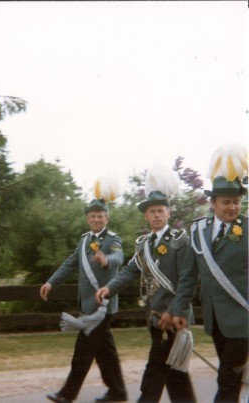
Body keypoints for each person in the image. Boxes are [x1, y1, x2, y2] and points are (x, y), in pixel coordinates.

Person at [96, 165, 196, 403]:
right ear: (146, 216)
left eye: (161, 211)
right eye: (152, 212)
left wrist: (175, 311)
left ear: (169, 213)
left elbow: (187, 280)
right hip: (154, 317)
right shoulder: (144, 244)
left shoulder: (180, 241)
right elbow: (131, 270)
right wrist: (109, 288)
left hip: (173, 319)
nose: (157, 216)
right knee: (174, 374)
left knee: (155, 370)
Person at [172, 145, 248, 402]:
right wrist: (180, 310)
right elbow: (187, 277)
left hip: (243, 318)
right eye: (226, 202)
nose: (233, 207)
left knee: (226, 381)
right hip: (215, 319)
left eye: (237, 202)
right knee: (232, 380)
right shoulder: (198, 232)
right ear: (213, 202)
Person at [40, 197, 127, 403]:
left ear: (107, 218)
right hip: (88, 306)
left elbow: (119, 257)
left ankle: (66, 395)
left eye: (100, 216)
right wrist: (51, 283)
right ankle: (118, 391)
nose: (97, 219)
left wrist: (107, 260)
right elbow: (70, 263)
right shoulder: (84, 240)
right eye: (93, 216)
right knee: (105, 353)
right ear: (88, 219)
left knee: (82, 353)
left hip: (103, 307)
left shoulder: (112, 240)